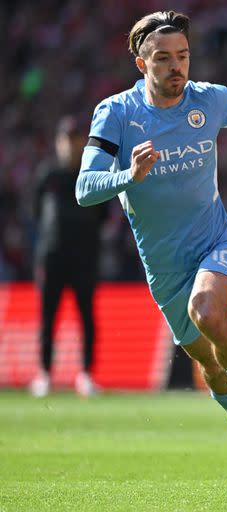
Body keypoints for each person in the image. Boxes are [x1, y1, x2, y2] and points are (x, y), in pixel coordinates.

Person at [76, 10, 227, 473]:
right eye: (162, 58)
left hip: (218, 242)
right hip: (164, 268)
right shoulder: (116, 113)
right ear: (141, 64)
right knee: (210, 363)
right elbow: (84, 188)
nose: (176, 66)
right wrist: (127, 176)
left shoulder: (211, 100)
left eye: (182, 55)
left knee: (208, 311)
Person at [29, 115, 109, 398]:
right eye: (66, 139)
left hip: (84, 258)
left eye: (75, 139)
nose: (70, 145)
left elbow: (103, 216)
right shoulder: (48, 175)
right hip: (52, 257)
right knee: (48, 317)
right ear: (58, 142)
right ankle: (44, 374)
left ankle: (86, 374)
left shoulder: (91, 176)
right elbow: (37, 213)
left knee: (86, 317)